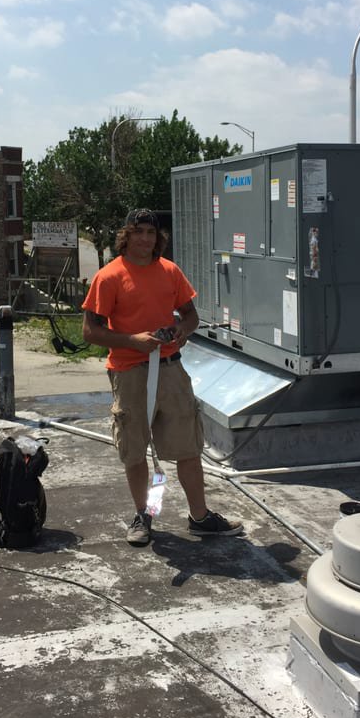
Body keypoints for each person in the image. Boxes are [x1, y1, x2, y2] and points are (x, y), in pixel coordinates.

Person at [82, 208, 243, 546]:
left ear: (158, 238)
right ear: (127, 235)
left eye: (151, 233)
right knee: (136, 450)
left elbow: (191, 315)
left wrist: (181, 331)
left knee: (187, 447)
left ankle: (200, 517)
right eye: (138, 231)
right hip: (129, 373)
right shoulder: (109, 276)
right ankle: (145, 515)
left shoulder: (169, 272)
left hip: (171, 370)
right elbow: (90, 331)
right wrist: (133, 341)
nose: (144, 239)